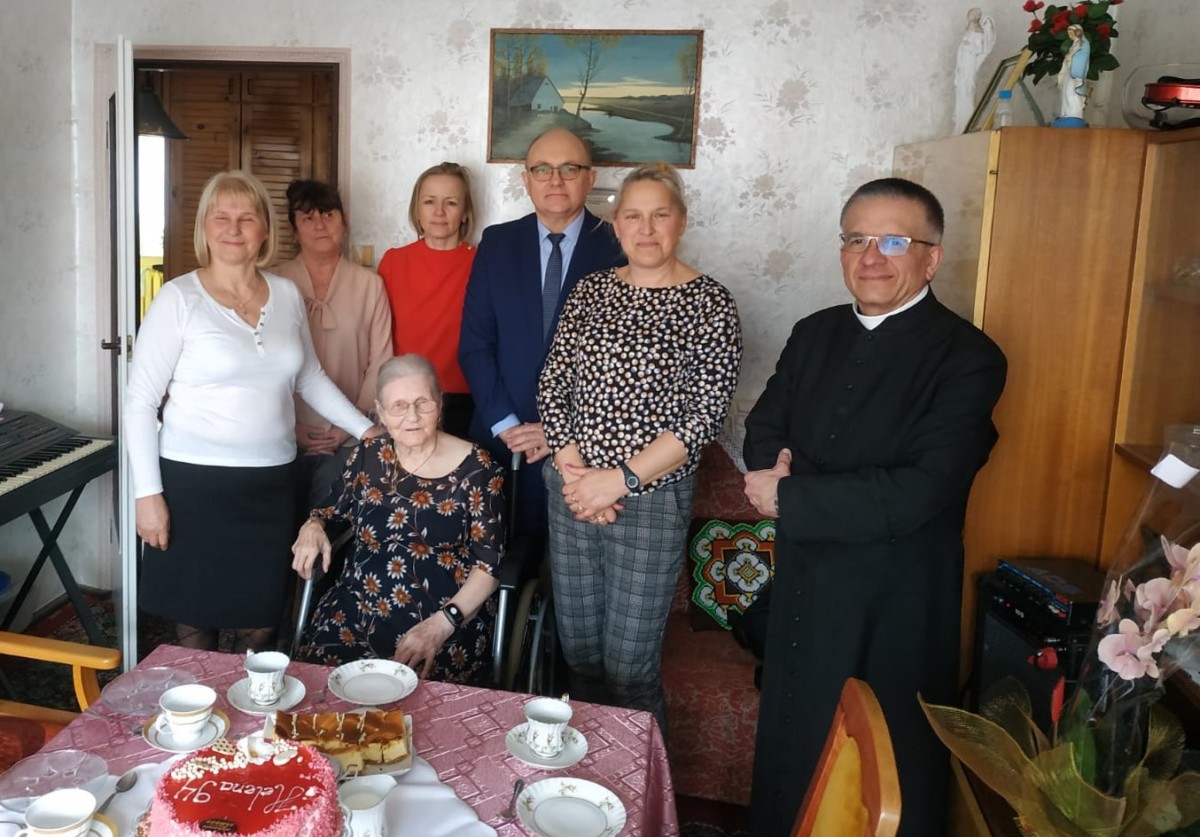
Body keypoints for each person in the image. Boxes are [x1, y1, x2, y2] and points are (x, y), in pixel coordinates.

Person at [741, 177, 1007, 837]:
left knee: (880, 774)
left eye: (893, 241)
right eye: (856, 239)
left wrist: (789, 495)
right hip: (804, 580)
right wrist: (773, 471)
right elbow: (765, 425)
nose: (871, 257)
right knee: (791, 752)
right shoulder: (814, 332)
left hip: (895, 602)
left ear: (931, 258)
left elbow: (920, 489)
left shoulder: (969, 357)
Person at [124, 169, 375, 653]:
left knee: (261, 624)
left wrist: (368, 432)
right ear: (204, 226)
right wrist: (147, 495)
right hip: (194, 487)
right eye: (221, 217)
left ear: (264, 229)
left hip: (271, 486)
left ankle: (250, 704)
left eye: (246, 217)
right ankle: (200, 702)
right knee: (195, 626)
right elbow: (139, 403)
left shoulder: (285, 294)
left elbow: (309, 376)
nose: (233, 228)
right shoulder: (178, 299)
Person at [537, 164, 743, 731]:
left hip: (649, 501)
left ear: (682, 222)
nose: (646, 229)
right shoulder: (591, 291)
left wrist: (618, 481)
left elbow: (703, 417)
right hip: (572, 492)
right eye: (633, 215)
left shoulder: (710, 304)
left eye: (659, 215)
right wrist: (576, 474)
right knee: (579, 657)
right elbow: (553, 383)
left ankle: (641, 784)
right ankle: (583, 776)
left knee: (629, 670)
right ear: (616, 223)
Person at [291, 354, 505, 684]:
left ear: (440, 402)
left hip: (444, 620)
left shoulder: (478, 468)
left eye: (423, 403)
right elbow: (331, 510)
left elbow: (489, 567)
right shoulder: (367, 456)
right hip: (356, 611)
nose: (412, 416)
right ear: (380, 411)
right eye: (399, 406)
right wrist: (313, 525)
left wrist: (442, 623)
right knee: (319, 685)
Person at [459, 128, 625, 541]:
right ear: (526, 180)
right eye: (542, 169)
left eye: (569, 168)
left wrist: (561, 432)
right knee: (498, 562)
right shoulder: (497, 243)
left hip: (589, 451)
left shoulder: (620, 247)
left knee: (571, 570)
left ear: (590, 178)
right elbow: (475, 345)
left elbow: (625, 368)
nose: (555, 180)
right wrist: (507, 426)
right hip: (502, 441)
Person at [274, 179, 393, 508]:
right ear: (294, 230)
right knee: (281, 528)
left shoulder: (370, 285)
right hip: (281, 435)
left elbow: (381, 361)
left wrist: (350, 424)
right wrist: (290, 427)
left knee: (331, 527)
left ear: (344, 221)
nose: (320, 225)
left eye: (328, 214)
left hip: (348, 437)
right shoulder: (273, 283)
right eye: (307, 218)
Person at [378, 163, 476, 438]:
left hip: (464, 399)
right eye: (429, 202)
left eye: (451, 202)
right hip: (403, 396)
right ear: (417, 210)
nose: (439, 212)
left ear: (465, 211)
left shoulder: (481, 262)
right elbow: (377, 336)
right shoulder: (394, 261)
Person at [953, 7, 996, 133]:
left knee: (967, 89)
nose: (969, 15)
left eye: (972, 14)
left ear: (976, 16)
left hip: (969, 63)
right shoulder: (969, 30)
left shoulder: (978, 31)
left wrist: (967, 45)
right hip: (963, 64)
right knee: (961, 91)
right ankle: (961, 122)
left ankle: (967, 120)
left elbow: (978, 49)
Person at [1057, 24, 1091, 123]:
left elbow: (1082, 57)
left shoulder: (1084, 44)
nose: (1070, 35)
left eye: (1071, 33)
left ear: (1078, 33)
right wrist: (1068, 57)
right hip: (1069, 71)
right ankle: (1065, 114)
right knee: (1065, 92)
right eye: (1069, 33)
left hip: (1075, 73)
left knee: (1071, 93)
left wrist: (1071, 57)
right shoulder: (1074, 44)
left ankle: (1073, 114)